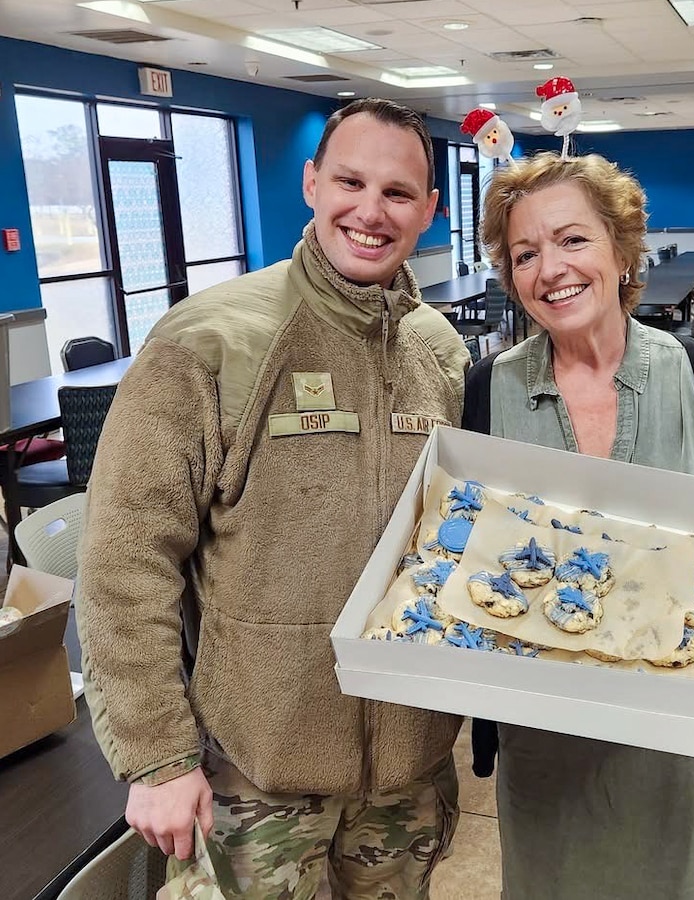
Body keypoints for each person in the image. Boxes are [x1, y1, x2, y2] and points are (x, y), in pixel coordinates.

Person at [75, 99, 470, 899]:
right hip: (253, 770)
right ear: (311, 183)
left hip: (406, 768)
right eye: (350, 182)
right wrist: (157, 755)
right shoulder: (210, 341)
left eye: (398, 193)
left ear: (430, 211)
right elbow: (125, 557)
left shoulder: (441, 353)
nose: (370, 211)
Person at [464, 151, 694, 900]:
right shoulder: (487, 394)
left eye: (574, 240)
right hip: (558, 757)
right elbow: (463, 544)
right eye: (525, 253)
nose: (551, 269)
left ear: (621, 248)